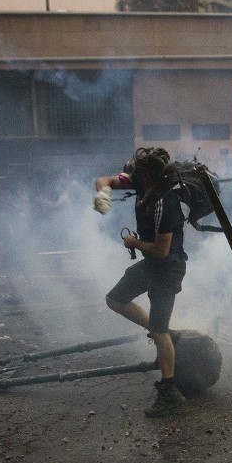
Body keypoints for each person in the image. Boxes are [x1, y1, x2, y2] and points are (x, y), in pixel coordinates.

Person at [95, 147, 188, 418]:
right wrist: (103, 196)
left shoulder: (165, 202)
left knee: (159, 331)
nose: (132, 173)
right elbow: (105, 180)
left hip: (167, 268)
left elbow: (161, 250)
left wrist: (133, 242)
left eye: (138, 170)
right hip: (151, 265)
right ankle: (168, 336)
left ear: (148, 174)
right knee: (115, 299)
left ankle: (170, 392)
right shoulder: (141, 183)